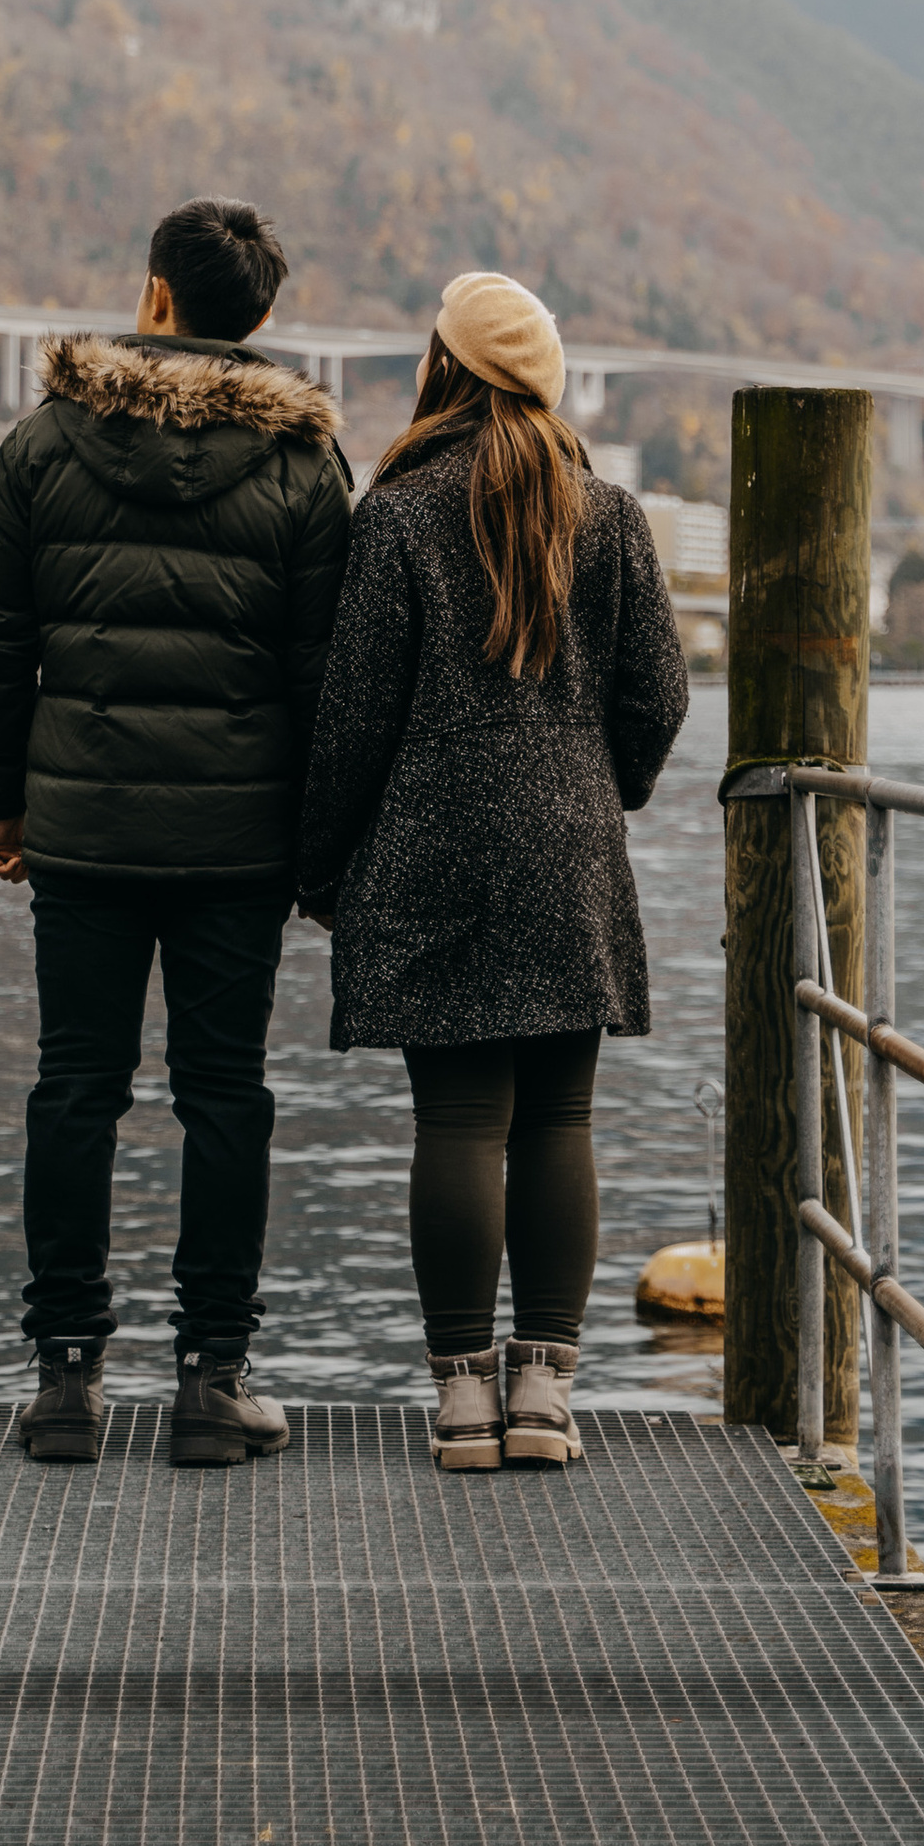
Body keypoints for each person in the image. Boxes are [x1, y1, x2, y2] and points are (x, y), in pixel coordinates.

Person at [0, 196, 353, 1466]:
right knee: (225, 1095)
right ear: (265, 319)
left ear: (153, 298)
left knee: (75, 1088)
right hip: (240, 842)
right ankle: (210, 1380)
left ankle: (66, 1379)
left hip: (80, 827)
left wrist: (2, 802)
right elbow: (322, 677)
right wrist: (315, 840)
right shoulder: (303, 466)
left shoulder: (41, 443)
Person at [294, 270, 689, 1470]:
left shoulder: (401, 513)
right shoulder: (608, 512)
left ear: (445, 367)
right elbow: (660, 696)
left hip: (430, 839)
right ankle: (547, 1398)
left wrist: (321, 865)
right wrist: (592, 782)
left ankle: (464, 1400)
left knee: (458, 1122)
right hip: (569, 843)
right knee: (559, 1117)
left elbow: (352, 716)